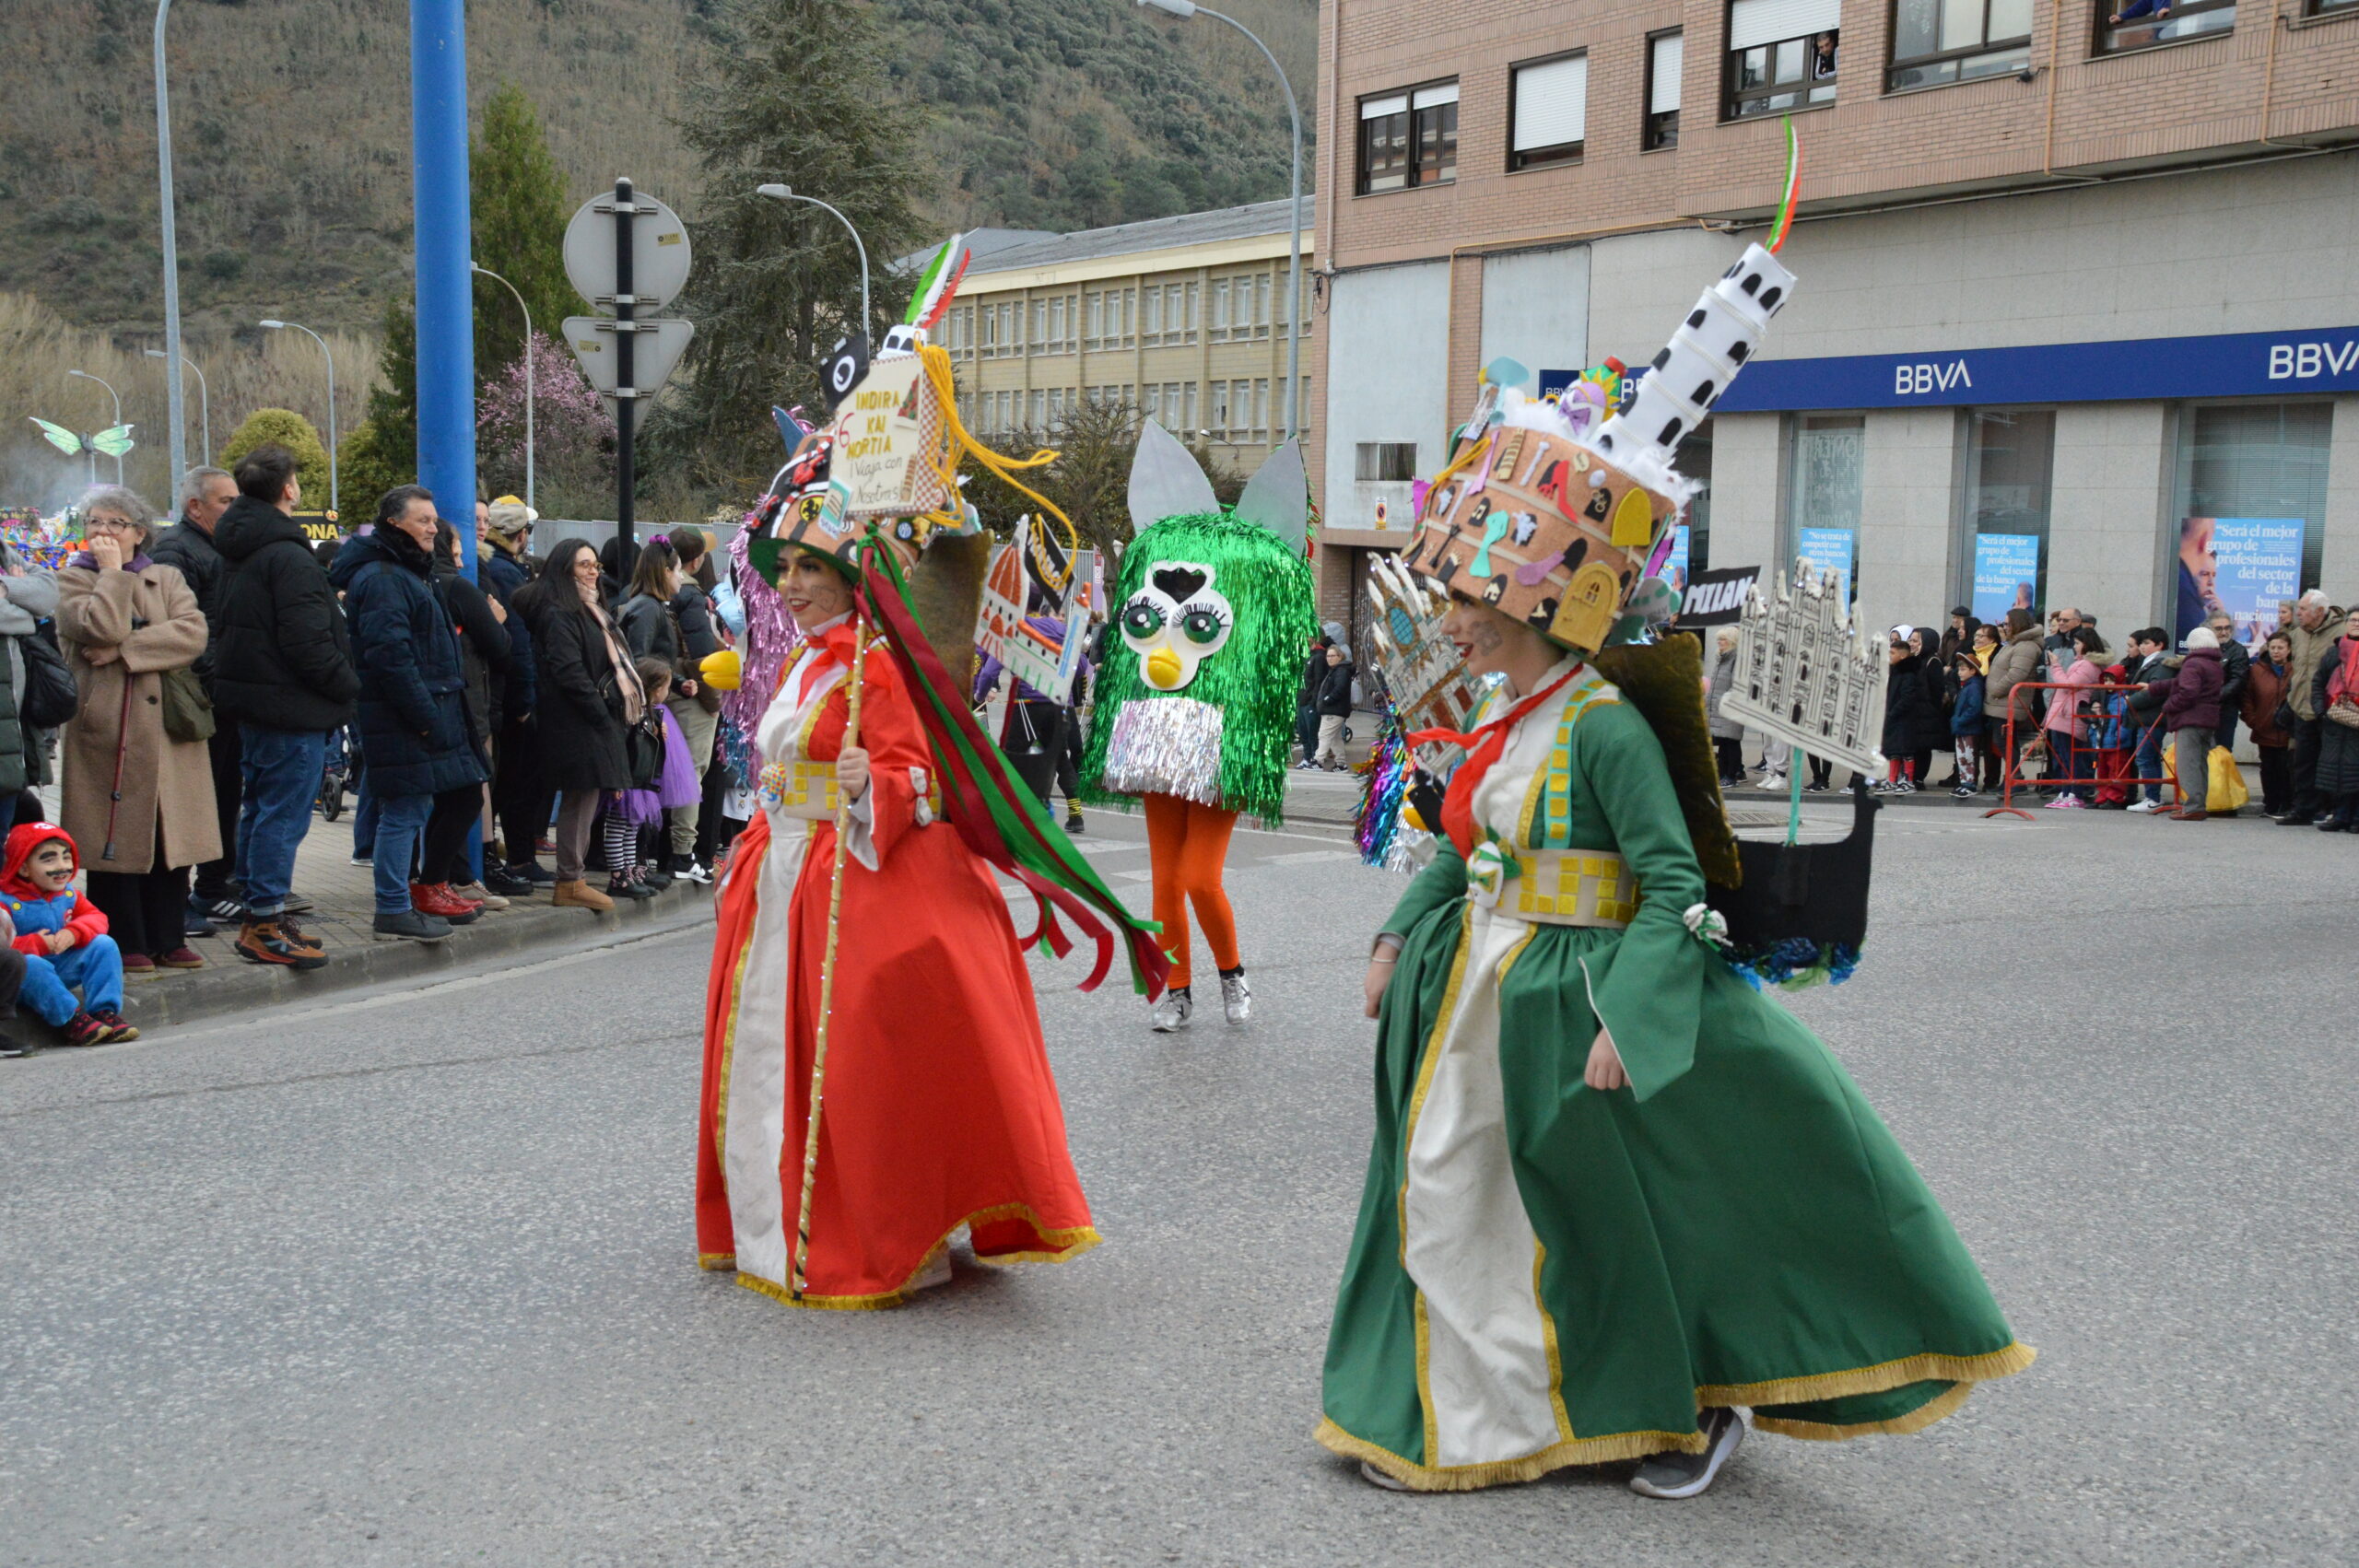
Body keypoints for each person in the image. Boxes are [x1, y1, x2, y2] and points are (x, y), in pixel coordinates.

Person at [1326, 562, 2029, 1501]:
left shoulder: (1606, 727)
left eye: (1467, 605)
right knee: (1468, 1201)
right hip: (1481, 998)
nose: (1449, 624)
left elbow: (1671, 886)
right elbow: (1471, 850)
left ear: (1532, 609)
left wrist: (1630, 1017)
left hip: (1572, 1002)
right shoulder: (1512, 714)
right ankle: (1485, 1405)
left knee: (1623, 1217)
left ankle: (1690, 1401)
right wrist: (1393, 935)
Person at [696, 541, 1115, 1309]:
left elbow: (925, 781)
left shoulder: (879, 669)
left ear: (857, 580)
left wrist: (873, 785)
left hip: (840, 877)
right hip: (780, 873)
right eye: (784, 571)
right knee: (766, 1054)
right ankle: (771, 1218)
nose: (790, 586)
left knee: (852, 1061)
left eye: (810, 570)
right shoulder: (801, 661)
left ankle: (869, 1228)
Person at [54, 486, 217, 976]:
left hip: (168, 730)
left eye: (115, 523)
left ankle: (170, 937)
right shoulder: (71, 579)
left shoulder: (165, 577)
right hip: (105, 730)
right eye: (94, 522)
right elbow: (98, 629)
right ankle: (125, 940)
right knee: (114, 838)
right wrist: (110, 574)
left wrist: (127, 652)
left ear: (140, 533)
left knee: (172, 836)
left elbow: (192, 633)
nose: (103, 532)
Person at [212, 445, 356, 969]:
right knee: (283, 816)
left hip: (256, 701)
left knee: (261, 809)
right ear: (289, 489)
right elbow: (306, 641)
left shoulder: (239, 546)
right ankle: (265, 923)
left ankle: (259, 912)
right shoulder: (286, 553)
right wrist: (347, 685)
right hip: (291, 706)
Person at [329, 486, 487, 942]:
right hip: (406, 716)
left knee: (428, 804)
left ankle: (416, 895)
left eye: (435, 521)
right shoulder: (382, 578)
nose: (433, 529)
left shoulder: (407, 571)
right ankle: (394, 907)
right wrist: (424, 718)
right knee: (404, 812)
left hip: (427, 710)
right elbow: (389, 657)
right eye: (423, 521)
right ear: (394, 524)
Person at [516, 539, 637, 912]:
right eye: (584, 564)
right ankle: (570, 880)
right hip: (575, 720)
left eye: (596, 565)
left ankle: (574, 877)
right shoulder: (560, 612)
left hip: (589, 717)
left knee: (587, 798)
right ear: (563, 568)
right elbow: (567, 669)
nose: (592, 571)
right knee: (579, 799)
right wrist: (599, 711)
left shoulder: (590, 608)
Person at [149, 464, 241, 932]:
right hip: (196, 701)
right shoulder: (175, 550)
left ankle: (214, 887)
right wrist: (215, 684)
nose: (235, 507)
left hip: (224, 697)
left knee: (224, 796)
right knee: (189, 802)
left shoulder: (219, 547)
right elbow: (177, 630)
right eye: (226, 500)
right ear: (195, 507)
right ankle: (180, 899)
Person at [429, 519, 512, 907]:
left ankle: (446, 878)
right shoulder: (457, 588)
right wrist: (496, 621)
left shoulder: (416, 584)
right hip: (464, 706)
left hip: (436, 705)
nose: (463, 564)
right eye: (458, 554)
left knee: (447, 800)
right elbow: (499, 646)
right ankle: (442, 880)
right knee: (464, 797)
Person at [0, 823, 136, 1045]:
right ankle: (71, 1019)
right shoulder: (5, 900)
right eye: (49, 859)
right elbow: (3, 953)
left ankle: (104, 1012)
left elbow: (97, 918)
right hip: (23, 981)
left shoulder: (68, 893)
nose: (62, 867)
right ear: (24, 868)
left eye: (66, 857)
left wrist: (75, 932)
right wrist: (37, 943)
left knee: (103, 944)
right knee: (31, 963)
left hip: (59, 966)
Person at [480, 499, 546, 888]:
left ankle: (509, 854)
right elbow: (519, 641)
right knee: (517, 782)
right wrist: (523, 701)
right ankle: (520, 857)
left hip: (501, 693)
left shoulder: (495, 569)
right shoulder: (508, 575)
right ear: (520, 536)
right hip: (512, 697)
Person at [601, 655, 699, 899]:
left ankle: (630, 870)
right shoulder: (632, 713)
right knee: (619, 827)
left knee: (631, 827)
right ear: (655, 689)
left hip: (638, 780)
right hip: (627, 780)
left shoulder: (647, 713)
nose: (668, 692)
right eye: (667, 687)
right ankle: (619, 875)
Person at [2278, 590, 2341, 825]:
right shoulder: (2297, 634)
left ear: (2319, 612)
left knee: (2330, 764)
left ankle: (2332, 809)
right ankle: (2303, 809)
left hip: (2328, 709)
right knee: (2302, 762)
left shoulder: (2341, 633)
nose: (2298, 613)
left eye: (2303, 609)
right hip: (2300, 707)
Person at [2159, 626, 2225, 822]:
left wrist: (2168, 706)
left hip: (2191, 718)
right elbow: (2179, 684)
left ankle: (2193, 806)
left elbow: (2187, 691)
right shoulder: (2214, 664)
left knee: (2187, 764)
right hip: (2208, 719)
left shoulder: (2193, 664)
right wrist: (2155, 688)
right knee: (2200, 764)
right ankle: (2199, 804)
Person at [2307, 607, 2359, 831]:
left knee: (2355, 772)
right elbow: (2318, 683)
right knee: (2335, 772)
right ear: (2346, 623)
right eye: (2353, 620)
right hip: (2335, 722)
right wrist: (2320, 712)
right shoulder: (2334, 652)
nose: (2356, 624)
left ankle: (2356, 818)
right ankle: (2340, 815)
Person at [2040, 625, 2103, 808]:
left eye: (2077, 643)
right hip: (2063, 714)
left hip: (2071, 715)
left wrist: (2056, 666)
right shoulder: (2082, 663)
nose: (2075, 646)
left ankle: (2075, 793)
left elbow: (2068, 684)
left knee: (2071, 757)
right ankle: (2066, 791)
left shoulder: (2088, 665)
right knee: (2063, 756)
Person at [1983, 608, 2043, 792]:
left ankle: (2014, 778)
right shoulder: (2014, 643)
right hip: (2000, 701)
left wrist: (1994, 689)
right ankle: (2012, 777)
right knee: (2004, 741)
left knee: (2004, 741)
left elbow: (2017, 673)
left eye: (2008, 623)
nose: (2004, 627)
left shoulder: (2026, 646)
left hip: (2008, 701)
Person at [1878, 627, 1942, 792]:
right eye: (1911, 640)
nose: (1913, 644)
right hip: (1898, 715)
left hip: (1909, 717)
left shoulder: (1914, 669)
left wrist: (1893, 712)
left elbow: (1930, 693)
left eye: (1916, 641)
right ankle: (1893, 779)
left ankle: (1910, 779)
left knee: (1907, 750)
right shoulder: (1900, 669)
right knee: (1894, 750)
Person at [2121, 627, 2175, 813]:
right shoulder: (2152, 661)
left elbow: (2154, 692)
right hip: (2147, 717)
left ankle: (2153, 797)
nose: (2142, 647)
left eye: (2146, 643)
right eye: (2141, 643)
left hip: (2153, 717)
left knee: (2146, 756)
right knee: (2147, 756)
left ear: (2159, 645)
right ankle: (2152, 796)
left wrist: (2129, 701)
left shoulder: (2162, 663)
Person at [2244, 630, 2295, 817]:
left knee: (2287, 768)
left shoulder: (2295, 669)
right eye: (2273, 647)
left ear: (2289, 649)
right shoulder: (2257, 670)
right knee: (2268, 768)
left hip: (2288, 730)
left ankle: (2286, 804)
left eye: (2280, 648)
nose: (2276, 651)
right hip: (2264, 727)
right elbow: (2247, 698)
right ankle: (2270, 804)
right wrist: (2253, 720)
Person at [2204, 610, 2248, 754]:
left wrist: (2215, 697)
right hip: (2203, 708)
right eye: (2219, 628)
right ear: (2210, 630)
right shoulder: (2204, 648)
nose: (2224, 632)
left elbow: (2238, 680)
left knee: (2221, 752)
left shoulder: (2238, 650)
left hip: (2225, 709)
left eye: (2227, 628)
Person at [1707, 626, 1744, 785]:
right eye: (1719, 639)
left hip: (1730, 707)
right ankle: (1723, 775)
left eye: (1723, 639)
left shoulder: (1736, 658)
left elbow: (1737, 684)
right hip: (1719, 707)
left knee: (1731, 742)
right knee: (1723, 742)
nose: (1720, 642)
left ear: (1732, 641)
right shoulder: (1721, 657)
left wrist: (1725, 701)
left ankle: (1732, 775)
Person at [1949, 652, 1985, 797]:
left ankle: (1970, 783)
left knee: (1968, 757)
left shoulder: (1974, 686)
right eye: (1959, 669)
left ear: (1972, 671)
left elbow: (1974, 708)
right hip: (1962, 728)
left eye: (1963, 669)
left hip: (1969, 728)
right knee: (1962, 757)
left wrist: (1959, 720)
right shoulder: (1967, 686)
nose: (1959, 673)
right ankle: (1964, 782)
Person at [1313, 643, 1354, 769]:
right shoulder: (1335, 671)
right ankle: (1341, 764)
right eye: (1328, 656)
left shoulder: (1341, 671)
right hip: (1333, 709)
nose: (1329, 658)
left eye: (1333, 656)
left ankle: (1318, 761)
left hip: (1334, 710)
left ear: (1340, 657)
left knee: (1324, 735)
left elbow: (1340, 689)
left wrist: (1327, 699)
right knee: (1335, 738)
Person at [1294, 631, 1328, 769]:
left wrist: (1313, 701)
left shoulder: (1319, 657)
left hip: (1310, 702)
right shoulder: (1307, 656)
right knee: (1303, 732)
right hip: (1302, 699)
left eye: (1307, 635)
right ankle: (1306, 757)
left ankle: (1315, 759)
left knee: (1312, 732)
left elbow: (1318, 681)